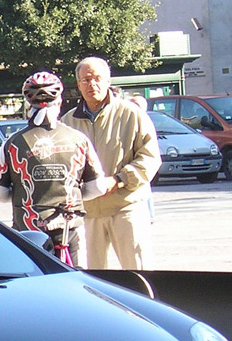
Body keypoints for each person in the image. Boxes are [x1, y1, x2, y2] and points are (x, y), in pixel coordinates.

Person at [0, 72, 112, 267]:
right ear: (60, 100)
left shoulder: (12, 144)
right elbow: (98, 187)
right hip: (69, 228)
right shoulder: (79, 139)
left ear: (27, 103)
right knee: (75, 283)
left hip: (28, 229)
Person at [61, 57, 161, 269]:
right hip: (87, 215)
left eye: (97, 78)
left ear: (108, 81)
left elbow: (150, 158)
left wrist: (119, 180)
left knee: (139, 274)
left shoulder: (132, 115)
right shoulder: (67, 122)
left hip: (126, 209)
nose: (92, 84)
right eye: (85, 80)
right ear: (78, 84)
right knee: (91, 281)